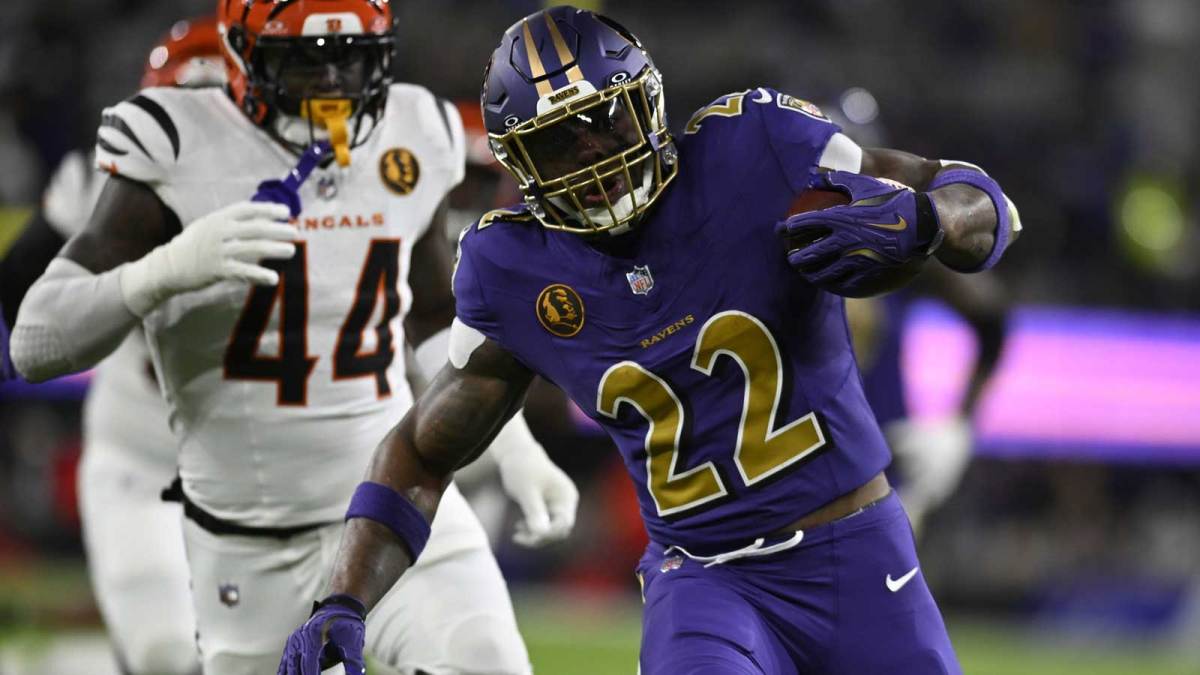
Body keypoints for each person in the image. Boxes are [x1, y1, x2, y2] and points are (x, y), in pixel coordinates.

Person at [277, 5, 1022, 674]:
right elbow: (421, 450)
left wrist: (930, 221)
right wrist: (342, 600)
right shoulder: (514, 269)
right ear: (520, 165)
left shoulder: (754, 148)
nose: (592, 155)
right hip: (705, 580)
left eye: (607, 119)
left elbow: (988, 206)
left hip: (855, 550)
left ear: (649, 102)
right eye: (557, 143)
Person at [9, 1, 578, 673]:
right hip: (246, 537)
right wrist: (163, 270)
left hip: (391, 498)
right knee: (165, 656)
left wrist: (512, 446)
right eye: (306, 61)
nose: (333, 82)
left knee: (488, 660)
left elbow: (429, 319)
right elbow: (34, 342)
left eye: (352, 59)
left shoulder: (415, 128)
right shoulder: (173, 142)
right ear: (242, 58)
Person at [0, 17, 225, 674]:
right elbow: (20, 304)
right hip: (143, 456)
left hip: (267, 465)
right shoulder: (108, 182)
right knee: (163, 654)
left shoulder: (321, 191)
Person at [849, 264, 1010, 537]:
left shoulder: (881, 250)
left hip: (879, 477)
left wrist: (959, 429)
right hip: (793, 472)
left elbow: (989, 314)